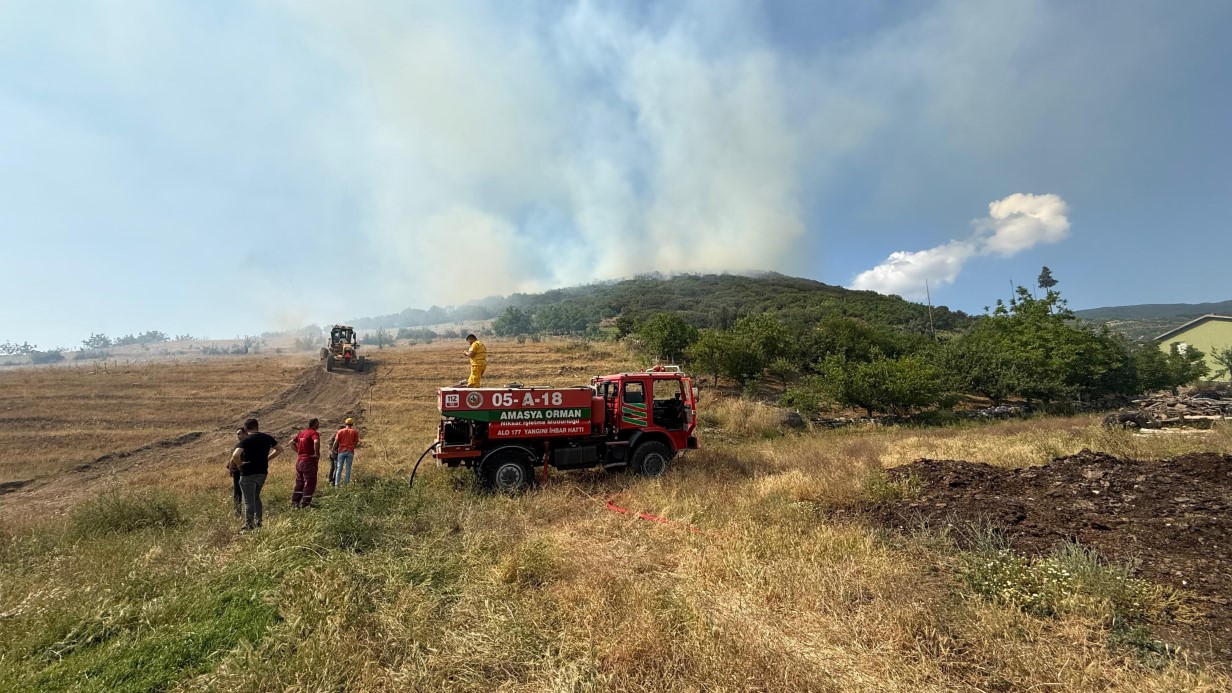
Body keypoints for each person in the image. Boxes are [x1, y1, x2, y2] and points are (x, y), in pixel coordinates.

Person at [229, 418, 280, 531]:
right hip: (262, 472)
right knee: (256, 498)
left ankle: (249, 525)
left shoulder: (247, 440)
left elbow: (235, 455)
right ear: (257, 426)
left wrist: (239, 465)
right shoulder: (267, 437)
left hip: (248, 473)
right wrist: (266, 459)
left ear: (246, 428)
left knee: (248, 501)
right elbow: (279, 449)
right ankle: (258, 522)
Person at [289, 418, 321, 508]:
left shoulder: (302, 433)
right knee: (310, 482)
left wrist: (299, 452)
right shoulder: (313, 433)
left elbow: (291, 443)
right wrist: (316, 454)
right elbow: (316, 441)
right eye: (318, 424)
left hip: (299, 461)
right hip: (309, 461)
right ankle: (305, 504)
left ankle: (295, 502)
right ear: (315, 424)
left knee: (299, 482)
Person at [227, 427, 248, 516]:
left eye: (239, 434)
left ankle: (239, 512)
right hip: (242, 470)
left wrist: (231, 467)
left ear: (245, 433)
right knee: (240, 492)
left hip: (240, 470)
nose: (238, 436)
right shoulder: (244, 444)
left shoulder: (243, 444)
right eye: (237, 434)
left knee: (238, 492)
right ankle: (238, 511)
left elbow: (234, 457)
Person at [331, 417, 359, 486]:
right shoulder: (354, 432)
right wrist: (353, 446)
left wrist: (333, 449)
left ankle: (337, 484)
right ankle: (346, 484)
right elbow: (356, 441)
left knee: (339, 468)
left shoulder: (340, 431)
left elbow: (336, 441)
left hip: (341, 451)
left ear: (345, 424)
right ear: (352, 424)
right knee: (348, 468)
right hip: (350, 451)